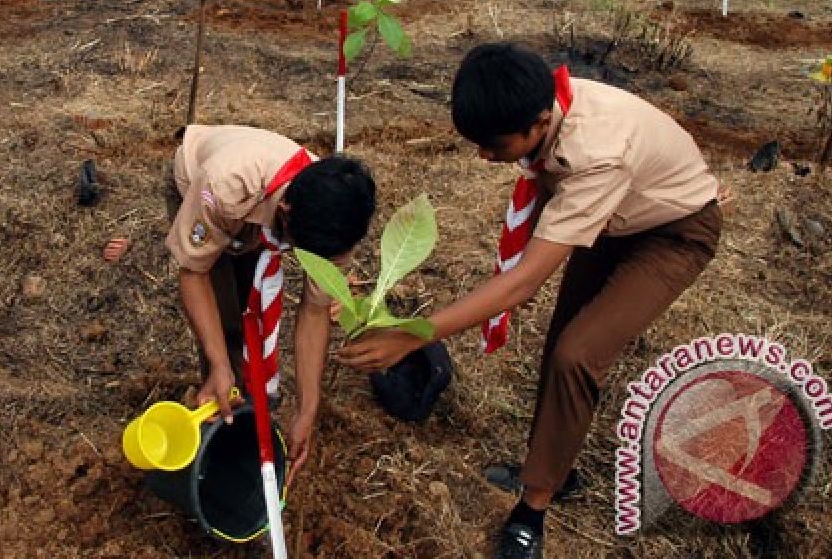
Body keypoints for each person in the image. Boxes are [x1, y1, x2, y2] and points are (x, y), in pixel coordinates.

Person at [339, 43, 724, 559]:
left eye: (492, 144)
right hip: (612, 219)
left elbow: (523, 284)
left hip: (671, 234)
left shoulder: (596, 154)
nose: (482, 155)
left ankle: (534, 505)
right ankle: (555, 467)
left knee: (578, 353)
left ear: (539, 122)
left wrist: (414, 334)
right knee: (560, 342)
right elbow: (537, 230)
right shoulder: (550, 108)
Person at [108, 126, 376, 484]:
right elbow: (193, 273)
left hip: (257, 218)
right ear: (285, 211)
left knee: (252, 310)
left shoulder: (335, 226)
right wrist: (219, 362)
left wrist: (307, 410)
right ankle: (223, 433)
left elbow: (314, 311)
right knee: (226, 324)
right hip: (200, 189)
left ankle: (248, 406)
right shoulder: (224, 187)